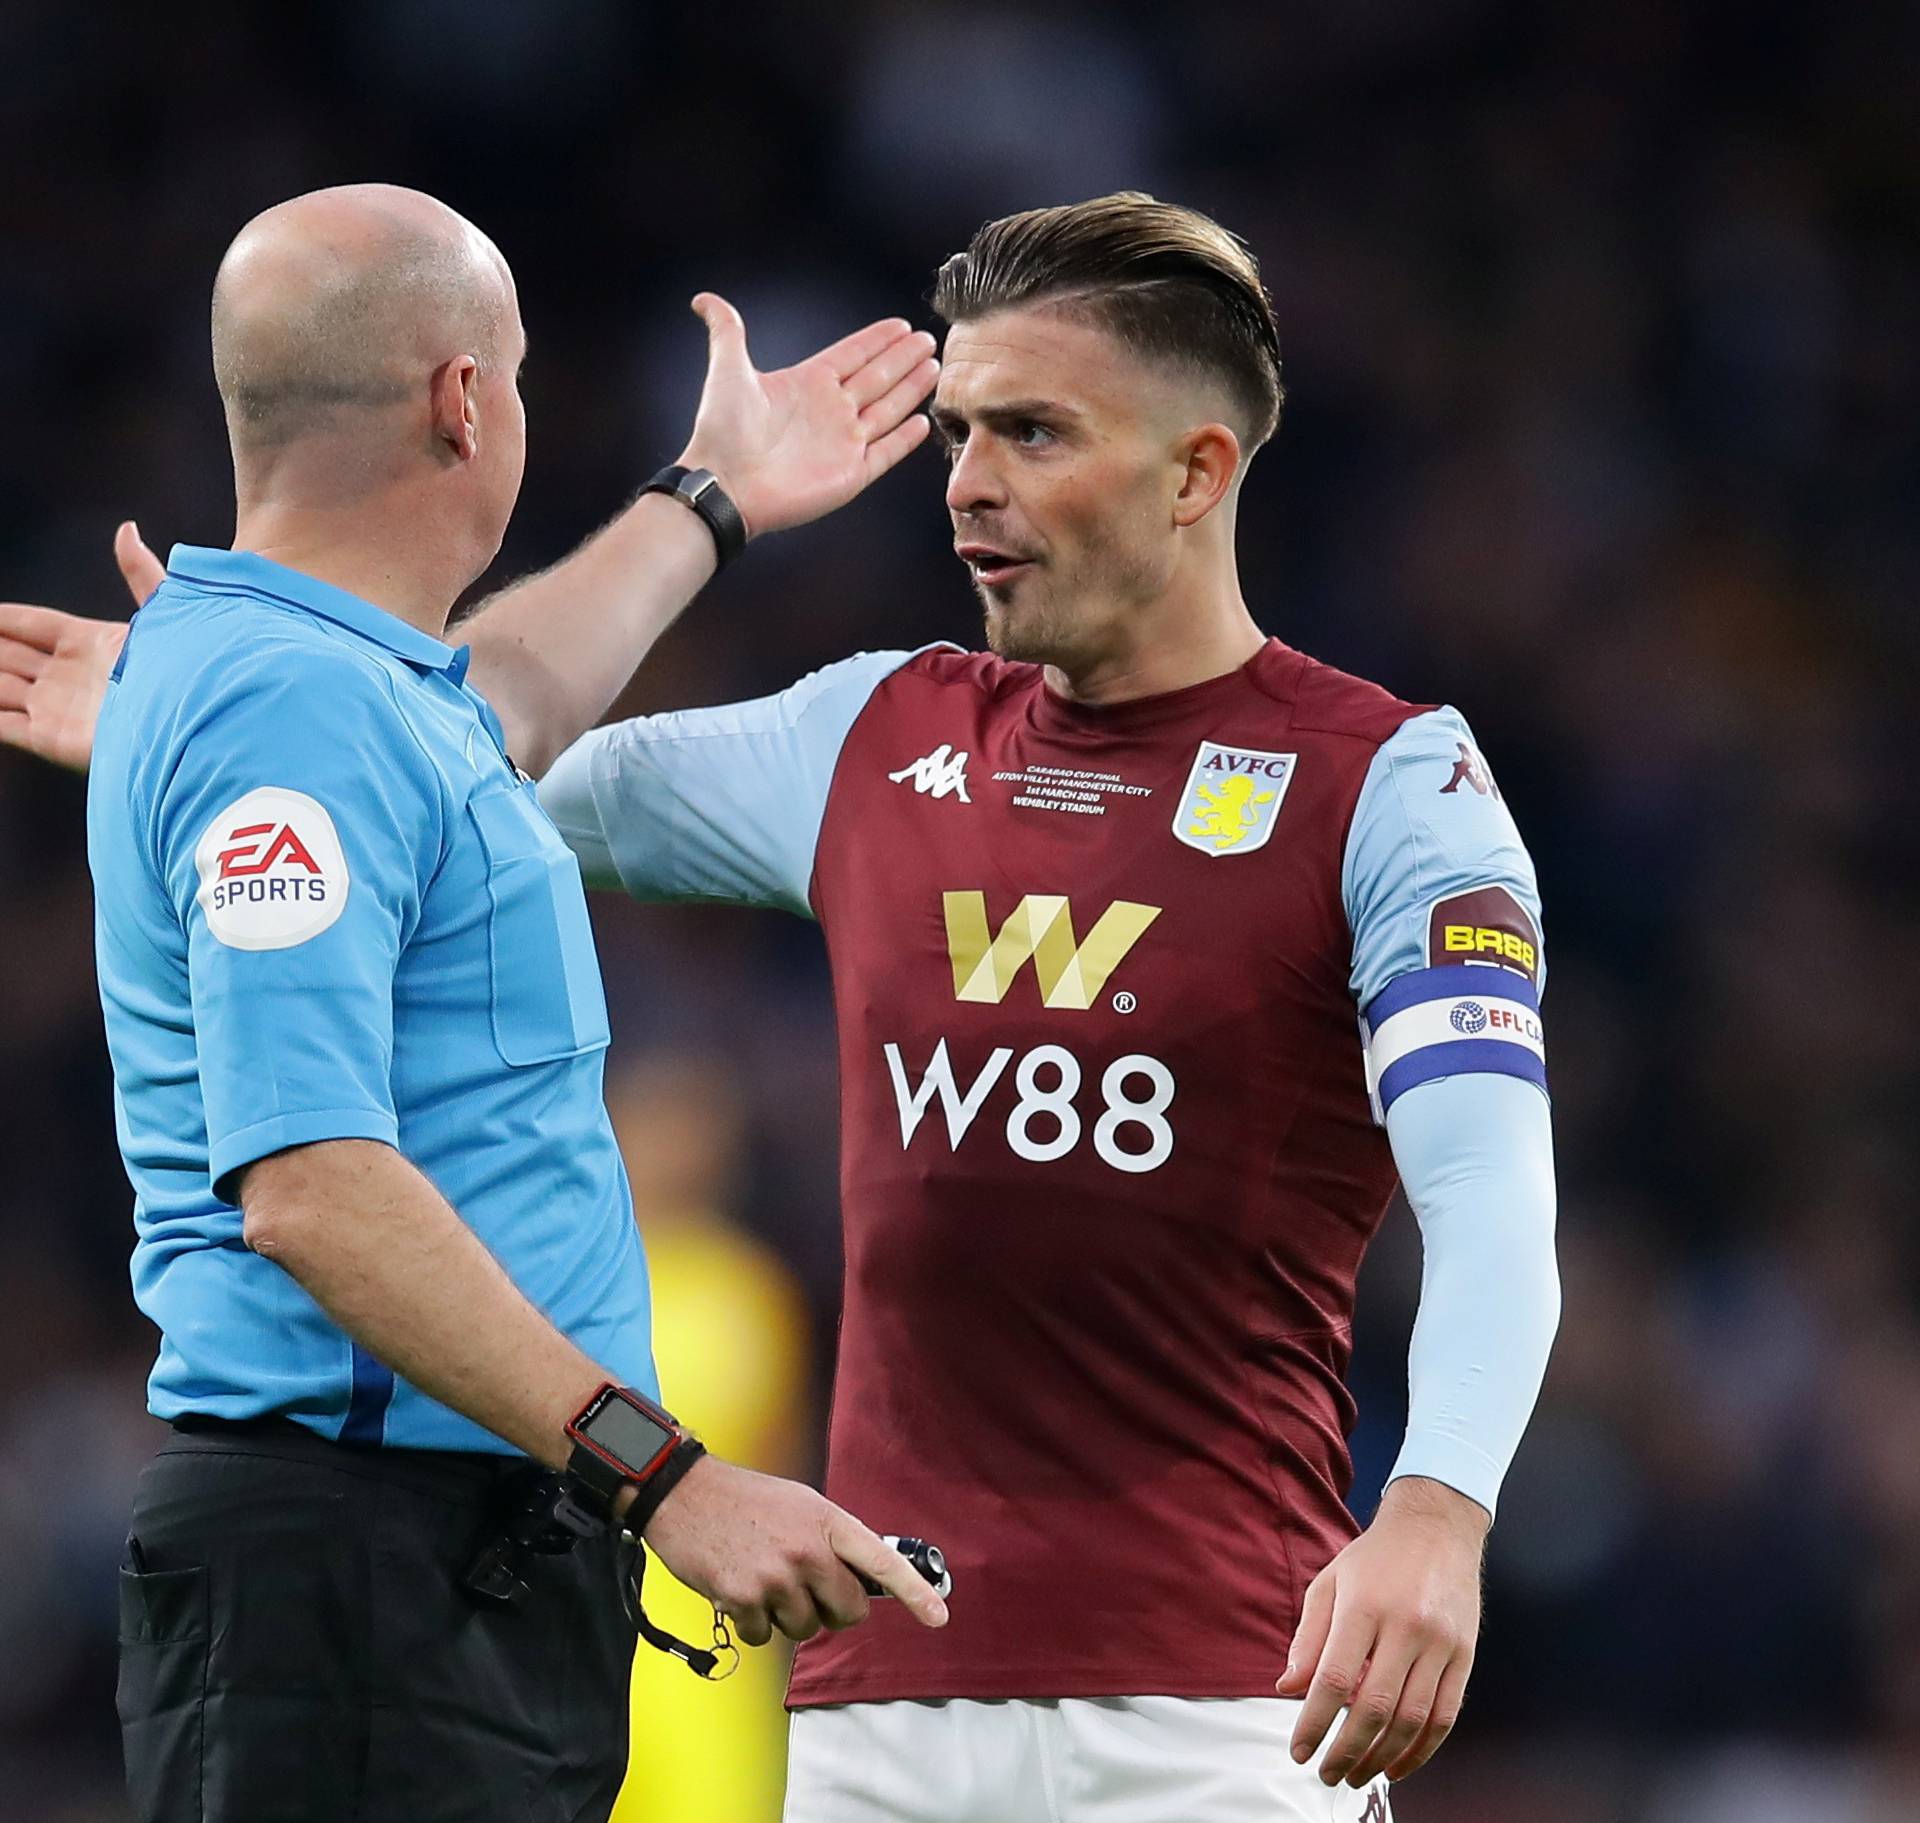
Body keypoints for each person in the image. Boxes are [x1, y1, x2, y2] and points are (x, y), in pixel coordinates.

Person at [4, 193, 1559, 1821]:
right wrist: (228, 721)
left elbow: (1487, 1194)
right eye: (958, 430)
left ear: (1197, 471)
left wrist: (1439, 1513)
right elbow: (468, 748)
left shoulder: (1390, 786)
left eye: (1032, 432)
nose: (966, 482)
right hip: (873, 1711)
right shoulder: (870, 737)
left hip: (1230, 1703)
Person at [5, 181, 946, 1823]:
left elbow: (496, 704)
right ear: (463, 400)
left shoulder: (326, 683)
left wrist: (711, 499)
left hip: (426, 1580)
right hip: (359, 1585)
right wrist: (671, 1480)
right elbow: (311, 1188)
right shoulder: (288, 704)